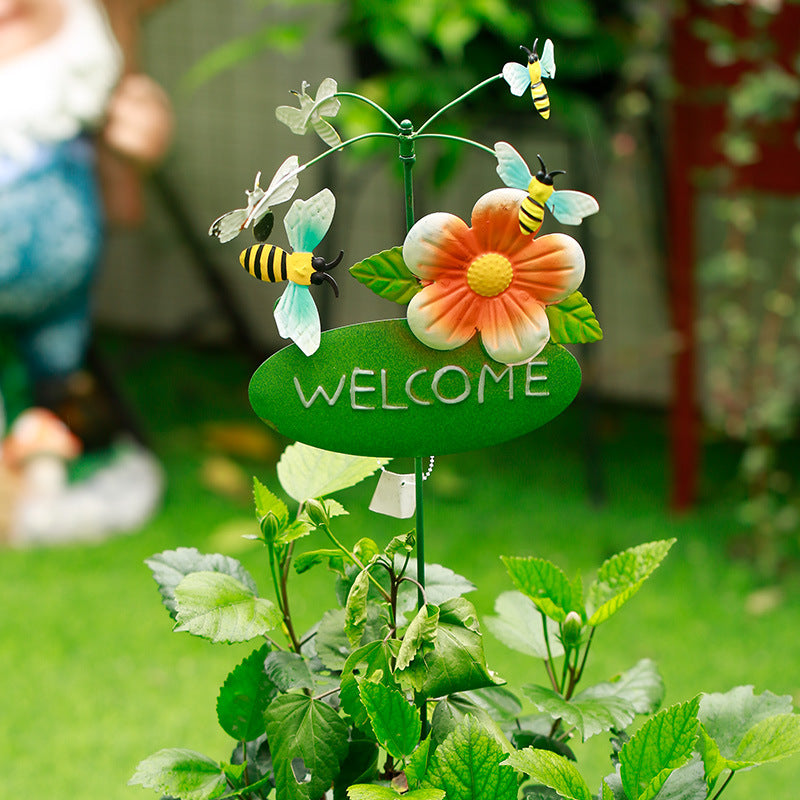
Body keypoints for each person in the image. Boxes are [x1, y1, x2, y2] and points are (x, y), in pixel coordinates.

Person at [0, 0, 171, 444]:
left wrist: (140, 138)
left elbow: (124, 112)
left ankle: (62, 422)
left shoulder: (99, 14)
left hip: (65, 299)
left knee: (57, 394)